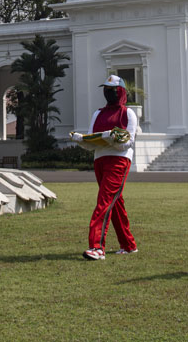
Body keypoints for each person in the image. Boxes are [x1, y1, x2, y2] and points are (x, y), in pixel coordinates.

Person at [70, 75, 139, 261]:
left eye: (112, 90)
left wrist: (112, 139)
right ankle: (128, 244)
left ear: (121, 92)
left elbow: (128, 142)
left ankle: (96, 247)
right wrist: (82, 140)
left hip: (118, 161)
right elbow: (92, 139)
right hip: (100, 160)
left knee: (104, 201)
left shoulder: (128, 113)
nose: (108, 93)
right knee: (115, 203)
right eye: (106, 90)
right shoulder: (98, 113)